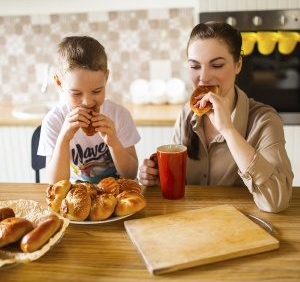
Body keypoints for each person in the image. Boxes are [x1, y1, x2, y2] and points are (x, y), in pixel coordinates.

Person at [139, 22, 293, 213]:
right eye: (195, 66)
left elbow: (276, 201)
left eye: (217, 65)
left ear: (238, 64)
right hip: (191, 223)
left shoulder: (265, 121)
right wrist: (154, 176)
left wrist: (228, 129)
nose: (203, 78)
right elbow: (180, 185)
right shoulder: (187, 113)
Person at [38, 36, 140, 184]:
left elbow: (130, 174)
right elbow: (56, 183)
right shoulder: (54, 121)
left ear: (106, 78)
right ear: (59, 83)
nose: (87, 102)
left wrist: (114, 143)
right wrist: (64, 138)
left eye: (97, 91)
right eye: (76, 93)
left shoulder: (119, 115)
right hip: (79, 194)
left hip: (118, 191)